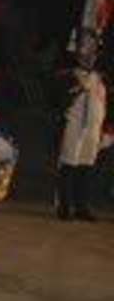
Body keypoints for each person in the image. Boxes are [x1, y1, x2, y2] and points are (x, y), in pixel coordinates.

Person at [54, 27, 108, 220]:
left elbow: (103, 103)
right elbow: (61, 98)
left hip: (93, 127)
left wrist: (105, 128)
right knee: (68, 163)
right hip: (74, 125)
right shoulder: (67, 73)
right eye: (85, 49)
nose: (89, 55)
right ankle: (64, 205)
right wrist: (79, 84)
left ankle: (81, 205)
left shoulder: (100, 77)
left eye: (93, 51)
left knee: (86, 165)